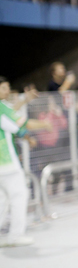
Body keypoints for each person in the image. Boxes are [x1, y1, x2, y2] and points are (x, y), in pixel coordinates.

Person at [0, 77, 51, 247]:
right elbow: (22, 124)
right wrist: (44, 124)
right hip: (6, 163)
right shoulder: (1, 108)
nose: (7, 91)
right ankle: (15, 236)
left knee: (2, 199)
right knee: (19, 195)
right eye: (4, 88)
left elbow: (10, 117)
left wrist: (24, 100)